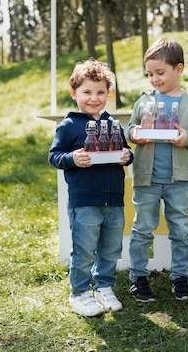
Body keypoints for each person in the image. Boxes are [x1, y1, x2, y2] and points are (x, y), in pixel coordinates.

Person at [126, 38, 188, 302]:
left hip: (180, 179)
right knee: (142, 228)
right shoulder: (143, 101)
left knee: (181, 229)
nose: (154, 79)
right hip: (147, 177)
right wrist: (136, 134)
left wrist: (187, 138)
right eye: (150, 73)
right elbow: (130, 129)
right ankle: (138, 278)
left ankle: (180, 278)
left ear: (179, 69)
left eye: (160, 73)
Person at [48, 58, 134, 317]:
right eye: (87, 92)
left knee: (111, 247)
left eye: (100, 92)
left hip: (114, 200)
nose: (94, 98)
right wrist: (73, 158)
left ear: (108, 94)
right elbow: (54, 156)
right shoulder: (68, 125)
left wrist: (127, 156)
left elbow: (128, 150)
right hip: (84, 200)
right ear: (74, 93)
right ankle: (80, 293)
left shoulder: (114, 125)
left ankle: (104, 287)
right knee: (84, 249)